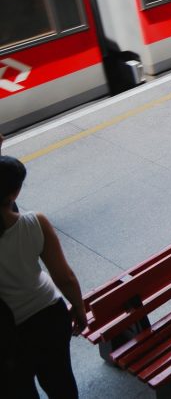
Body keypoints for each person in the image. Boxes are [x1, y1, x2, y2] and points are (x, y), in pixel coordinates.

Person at [1, 156, 87, 398]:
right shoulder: (34, 223)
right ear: (15, 193)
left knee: (19, 389)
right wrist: (79, 308)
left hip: (8, 332)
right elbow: (64, 277)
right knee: (61, 382)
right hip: (49, 316)